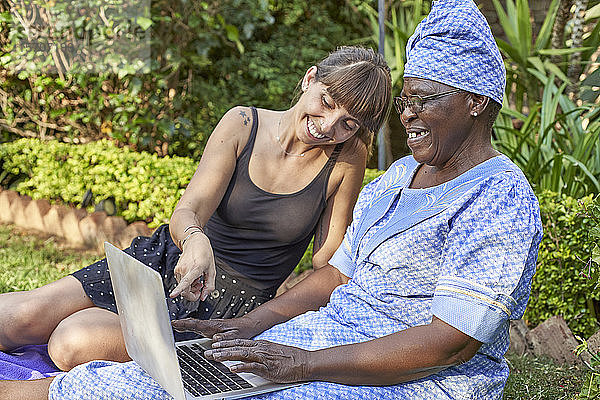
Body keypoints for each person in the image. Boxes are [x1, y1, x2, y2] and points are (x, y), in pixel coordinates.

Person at [0, 0, 544, 398]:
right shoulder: (398, 177)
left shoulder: (497, 197)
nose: (407, 115)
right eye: (406, 101)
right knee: (143, 377)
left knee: (117, 370)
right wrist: (254, 327)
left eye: (425, 100)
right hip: (299, 329)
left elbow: (451, 344)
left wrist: (303, 361)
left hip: (382, 366)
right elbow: (336, 277)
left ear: (475, 102)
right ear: (310, 81)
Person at [0, 46, 392, 372]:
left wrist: (275, 315)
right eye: (326, 102)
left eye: (348, 123)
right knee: (24, 315)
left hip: (226, 305)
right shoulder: (243, 124)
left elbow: (327, 264)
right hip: (165, 260)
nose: (328, 125)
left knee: (72, 340)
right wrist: (195, 242)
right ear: (309, 80)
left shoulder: (346, 160)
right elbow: (188, 211)